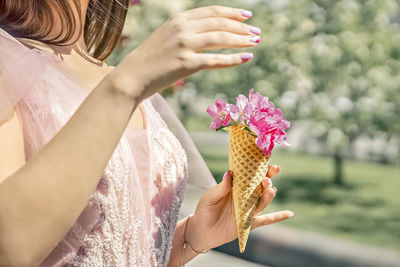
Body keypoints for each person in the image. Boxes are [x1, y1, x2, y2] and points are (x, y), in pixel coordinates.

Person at [0, 1, 294, 266]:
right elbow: (9, 249)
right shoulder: (7, 62)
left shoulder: (120, 77)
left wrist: (188, 239)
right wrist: (125, 85)